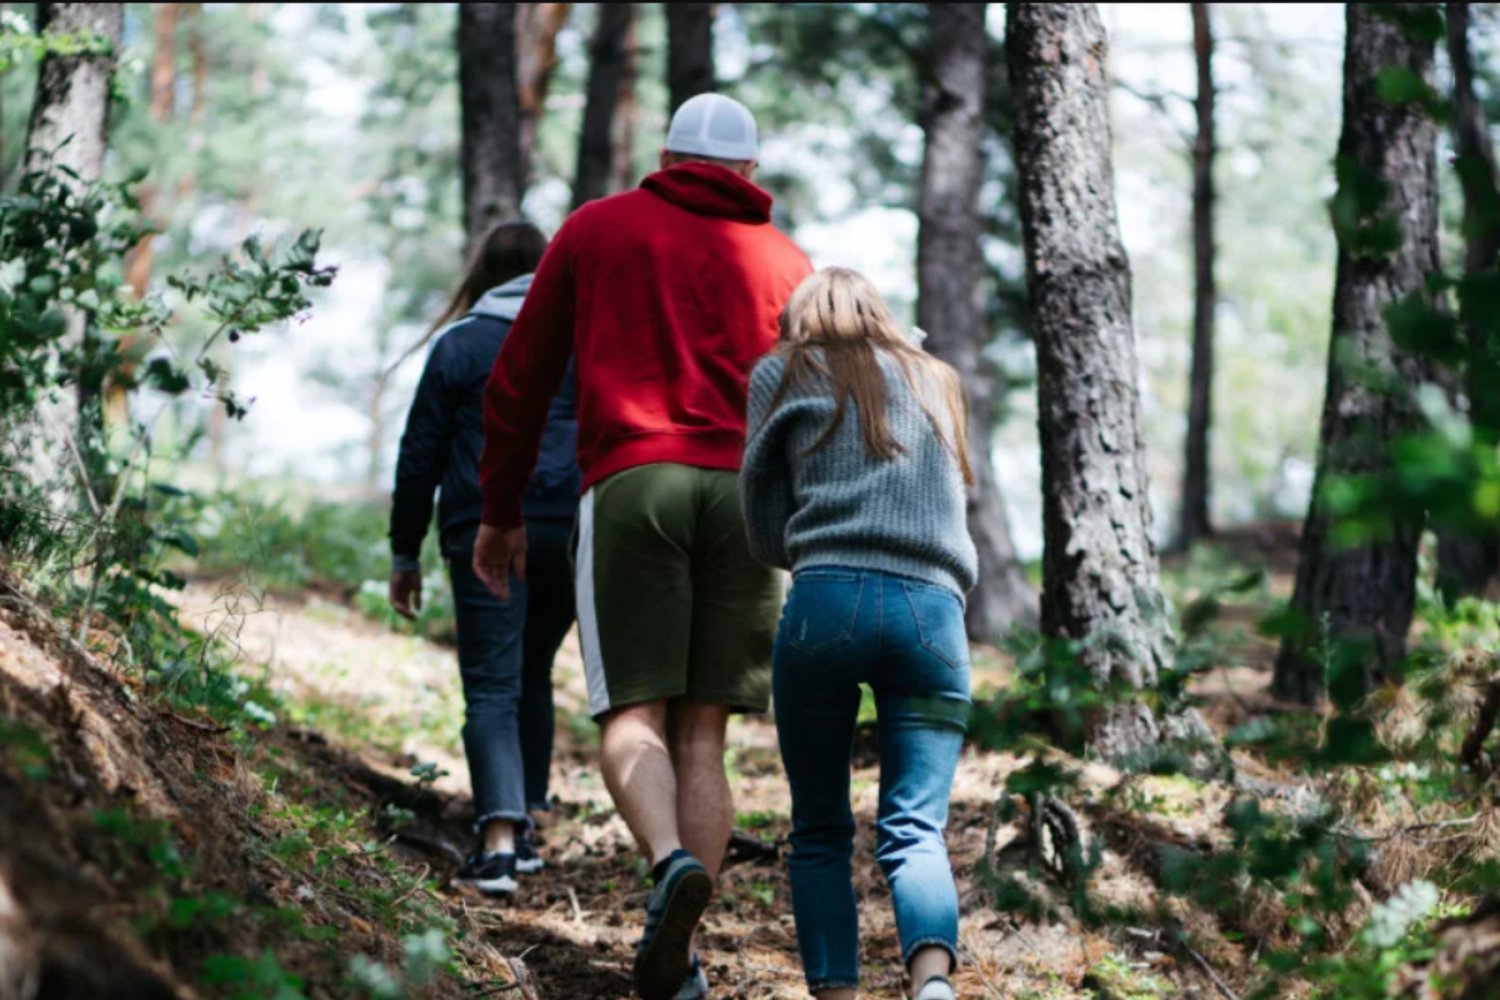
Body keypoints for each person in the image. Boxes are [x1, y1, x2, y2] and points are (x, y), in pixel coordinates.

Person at [472, 94, 811, 999]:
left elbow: (521, 375)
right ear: (748, 170)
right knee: (704, 732)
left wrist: (500, 507)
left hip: (633, 483)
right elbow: (813, 408)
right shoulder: (788, 260)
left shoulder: (598, 228)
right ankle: (686, 958)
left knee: (632, 713)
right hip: (745, 500)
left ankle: (667, 864)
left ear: (665, 154)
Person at [740, 268, 978, 1000]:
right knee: (915, 828)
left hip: (825, 605)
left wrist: (813, 548)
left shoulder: (780, 372)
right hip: (934, 618)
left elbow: (763, 516)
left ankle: (837, 993)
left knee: (818, 828)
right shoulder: (937, 377)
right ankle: (933, 986)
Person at [388, 220, 580, 896]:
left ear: (482, 273)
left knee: (494, 682)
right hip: (570, 528)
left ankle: (498, 844)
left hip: (487, 528)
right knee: (532, 669)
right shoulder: (577, 340)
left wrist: (403, 551)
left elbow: (420, 458)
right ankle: (525, 823)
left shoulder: (461, 345)